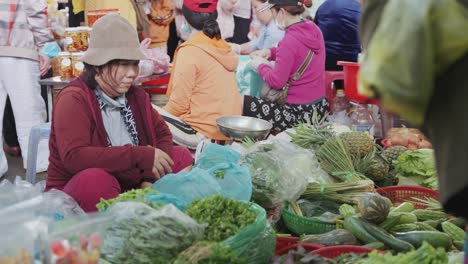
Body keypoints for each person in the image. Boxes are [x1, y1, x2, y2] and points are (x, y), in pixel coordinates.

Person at [45, 14, 194, 212]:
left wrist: (149, 178)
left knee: (180, 155)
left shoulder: (135, 96)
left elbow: (162, 134)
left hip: (129, 182)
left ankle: (147, 214)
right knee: (96, 180)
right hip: (76, 192)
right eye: (123, 64)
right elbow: (75, 157)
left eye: (134, 64)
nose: (132, 72)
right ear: (99, 65)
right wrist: (140, 155)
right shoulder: (73, 99)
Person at [163, 0, 242, 141]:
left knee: (150, 116)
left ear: (186, 18)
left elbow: (178, 105)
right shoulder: (223, 46)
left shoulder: (190, 50)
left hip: (201, 132)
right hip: (227, 132)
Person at [245, 0, 328, 132]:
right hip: (319, 109)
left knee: (243, 103)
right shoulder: (314, 29)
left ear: (282, 12)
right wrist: (270, 52)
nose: (272, 16)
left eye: (273, 12)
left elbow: (277, 82)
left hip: (297, 114)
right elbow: (298, 53)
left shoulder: (288, 41)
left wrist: (260, 65)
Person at [0, 0, 54, 176]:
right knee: (28, 112)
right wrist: (45, 45)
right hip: (18, 43)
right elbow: (35, 7)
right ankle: (37, 165)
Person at [314, 0, 361, 71]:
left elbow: (315, 31)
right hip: (350, 61)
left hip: (325, 59)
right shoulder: (359, 8)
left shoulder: (324, 6)